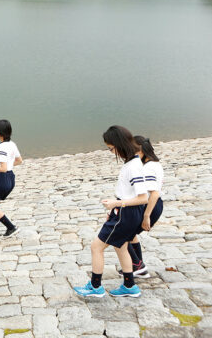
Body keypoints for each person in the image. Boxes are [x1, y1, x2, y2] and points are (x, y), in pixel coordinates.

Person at [74, 126, 148, 298]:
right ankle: (129, 286)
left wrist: (117, 203)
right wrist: (116, 206)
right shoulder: (133, 162)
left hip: (126, 214)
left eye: (111, 148)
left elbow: (143, 197)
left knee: (96, 247)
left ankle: (95, 286)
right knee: (121, 246)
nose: (111, 152)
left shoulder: (133, 167)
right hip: (125, 212)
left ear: (119, 145)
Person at [123, 135, 164, 278]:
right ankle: (138, 267)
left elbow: (154, 194)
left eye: (133, 151)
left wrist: (146, 216)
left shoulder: (148, 168)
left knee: (121, 234)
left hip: (150, 206)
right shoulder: (154, 164)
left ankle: (137, 265)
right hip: (152, 205)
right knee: (129, 234)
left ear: (140, 151)